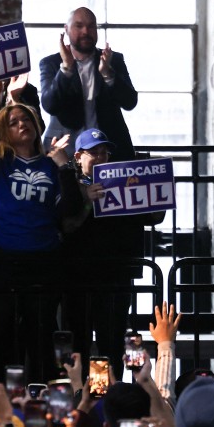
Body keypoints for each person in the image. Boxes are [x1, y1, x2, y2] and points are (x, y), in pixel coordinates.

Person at [0, 77, 81, 381]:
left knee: (40, 332)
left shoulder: (50, 165)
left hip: (43, 258)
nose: (21, 124)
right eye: (13, 122)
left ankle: (40, 394)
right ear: (5, 132)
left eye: (26, 118)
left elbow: (69, 210)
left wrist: (65, 167)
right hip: (1, 255)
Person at [61, 127, 164, 372]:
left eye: (104, 152)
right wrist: (88, 201)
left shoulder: (122, 183)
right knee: (80, 340)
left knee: (112, 341)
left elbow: (153, 217)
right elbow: (67, 225)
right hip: (79, 276)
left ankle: (111, 396)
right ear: (78, 157)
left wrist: (158, 190)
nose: (100, 157)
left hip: (116, 274)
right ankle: (82, 394)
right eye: (93, 152)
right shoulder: (69, 184)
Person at [39, 7, 138, 159]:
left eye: (91, 26)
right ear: (66, 29)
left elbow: (130, 102)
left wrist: (108, 74)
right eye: (79, 26)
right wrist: (65, 69)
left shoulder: (113, 59)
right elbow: (49, 105)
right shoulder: (51, 63)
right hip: (65, 149)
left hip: (109, 149)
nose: (86, 31)